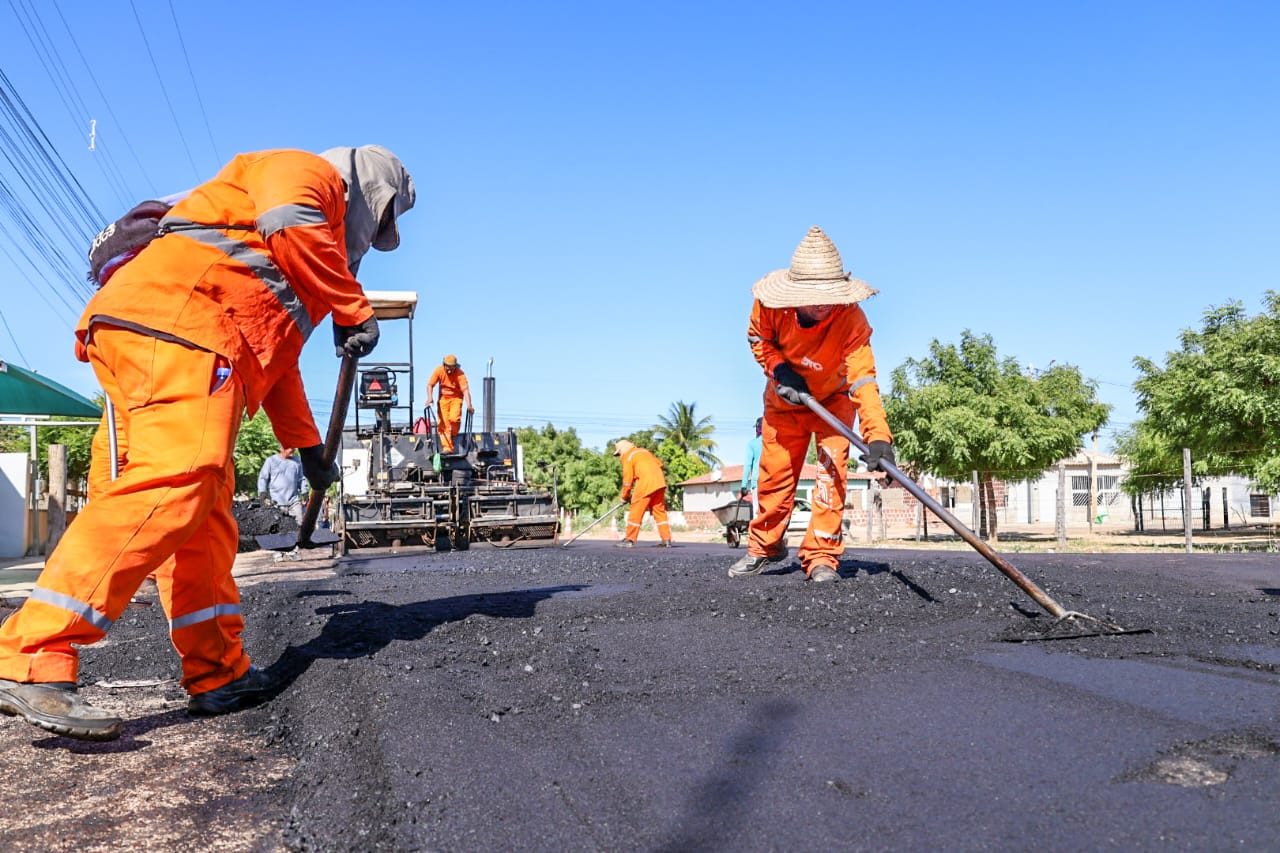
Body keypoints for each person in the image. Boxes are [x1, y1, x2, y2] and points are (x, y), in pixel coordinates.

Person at [0, 145, 415, 741]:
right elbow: (288, 217)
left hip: (177, 337)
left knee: (203, 514)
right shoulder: (309, 175)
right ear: (369, 194)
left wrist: (307, 451)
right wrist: (352, 306)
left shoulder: (305, 269)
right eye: (378, 222)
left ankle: (217, 672)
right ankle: (30, 652)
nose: (368, 240)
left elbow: (282, 364)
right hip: (179, 325)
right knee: (178, 480)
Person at [729, 226, 894, 584]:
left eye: (828, 296)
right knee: (774, 478)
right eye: (812, 295)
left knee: (829, 475)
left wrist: (878, 435)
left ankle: (821, 557)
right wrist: (779, 370)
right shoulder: (769, 307)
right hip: (784, 401)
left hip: (832, 404)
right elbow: (758, 338)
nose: (822, 304)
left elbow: (863, 379)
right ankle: (765, 546)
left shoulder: (850, 319)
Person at [613, 439, 672, 548]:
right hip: (659, 482)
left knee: (636, 511)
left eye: (619, 453)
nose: (619, 456)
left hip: (645, 483)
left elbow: (627, 480)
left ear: (622, 449)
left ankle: (629, 540)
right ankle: (666, 539)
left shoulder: (628, 456)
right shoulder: (645, 451)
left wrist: (624, 497)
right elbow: (660, 464)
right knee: (659, 511)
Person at [425, 354, 473, 453]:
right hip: (443, 400)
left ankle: (453, 434)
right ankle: (447, 447)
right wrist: (430, 397)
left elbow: (465, 391)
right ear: (444, 365)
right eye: (448, 367)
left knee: (454, 419)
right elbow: (430, 385)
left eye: (452, 367)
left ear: (456, 366)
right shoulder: (439, 371)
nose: (450, 370)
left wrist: (469, 405)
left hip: (456, 399)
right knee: (443, 424)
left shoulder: (460, 374)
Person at [258, 445, 306, 523]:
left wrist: (305, 492)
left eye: (294, 448)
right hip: (276, 504)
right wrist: (262, 492)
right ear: (282, 448)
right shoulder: (271, 461)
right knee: (277, 529)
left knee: (300, 524)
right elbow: (263, 478)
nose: (293, 450)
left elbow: (301, 479)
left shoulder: (297, 462)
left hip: (294, 502)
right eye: (291, 447)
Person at [740, 417, 763, 512]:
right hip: (772, 482)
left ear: (758, 429)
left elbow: (748, 465)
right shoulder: (774, 442)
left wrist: (743, 486)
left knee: (757, 512)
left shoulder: (752, 444)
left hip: (757, 482)